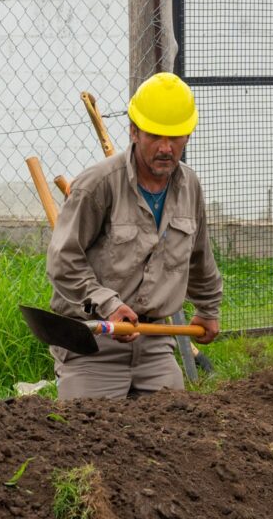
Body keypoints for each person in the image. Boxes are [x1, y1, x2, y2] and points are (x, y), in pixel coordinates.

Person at [46, 72, 222, 399]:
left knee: (179, 431)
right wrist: (108, 305)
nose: (166, 148)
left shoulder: (190, 188)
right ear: (134, 131)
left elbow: (199, 257)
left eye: (176, 137)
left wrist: (208, 308)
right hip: (94, 340)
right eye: (156, 136)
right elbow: (62, 260)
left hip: (154, 342)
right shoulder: (99, 185)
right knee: (88, 434)